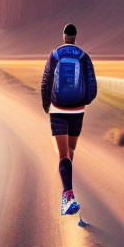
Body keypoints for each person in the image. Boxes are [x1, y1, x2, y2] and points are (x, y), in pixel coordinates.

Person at [41, 23, 97, 215]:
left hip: (58, 110)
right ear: (75, 37)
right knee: (71, 151)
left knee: (62, 155)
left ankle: (67, 195)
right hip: (77, 110)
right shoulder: (83, 56)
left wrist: (46, 104)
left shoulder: (55, 55)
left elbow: (46, 80)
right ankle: (68, 190)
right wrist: (83, 101)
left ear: (64, 36)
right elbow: (92, 86)